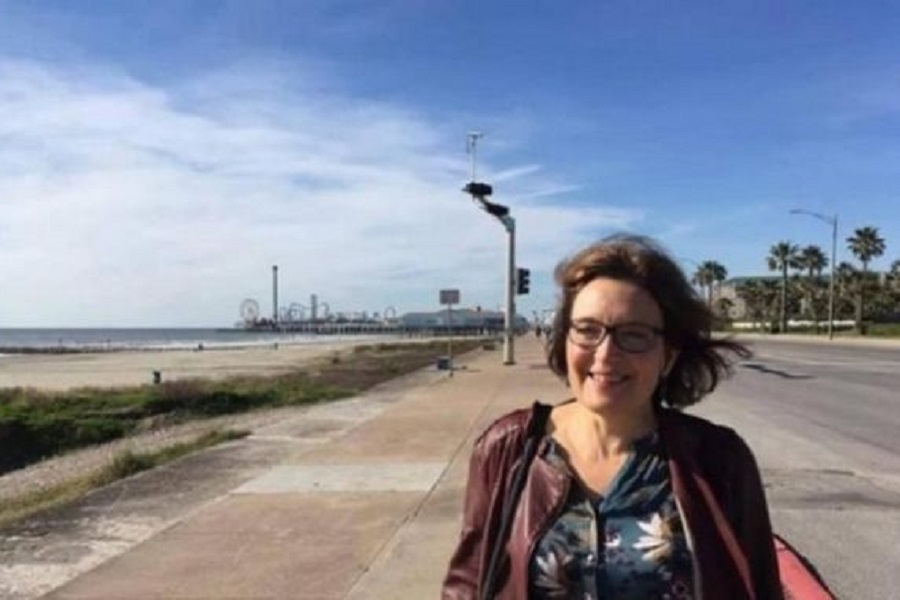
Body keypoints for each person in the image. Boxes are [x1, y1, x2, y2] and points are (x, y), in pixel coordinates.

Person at [442, 234, 782, 600]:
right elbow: (468, 585)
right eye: (587, 331)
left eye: (633, 335)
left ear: (668, 356)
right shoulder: (508, 447)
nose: (605, 355)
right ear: (564, 340)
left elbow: (760, 588)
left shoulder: (719, 459)